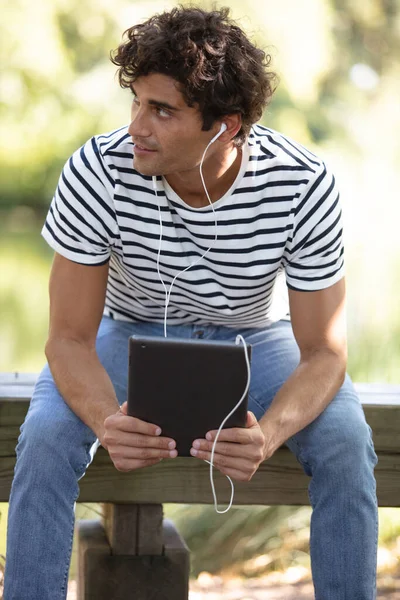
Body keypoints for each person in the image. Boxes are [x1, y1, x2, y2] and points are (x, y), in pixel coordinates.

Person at [4, 6, 378, 600]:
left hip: (255, 337)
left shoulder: (303, 184)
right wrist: (108, 421)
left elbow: (325, 351)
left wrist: (269, 433)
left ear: (224, 128)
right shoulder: (97, 171)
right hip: (124, 329)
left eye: (162, 111)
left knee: (346, 443)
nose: (136, 127)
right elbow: (68, 339)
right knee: (45, 435)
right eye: (136, 102)